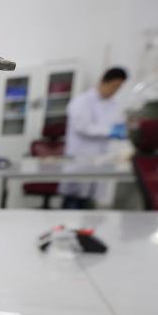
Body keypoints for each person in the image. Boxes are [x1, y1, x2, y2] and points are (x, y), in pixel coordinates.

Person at [59, 66, 128, 209]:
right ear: (103, 81)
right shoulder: (81, 101)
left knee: (89, 204)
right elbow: (82, 127)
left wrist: (123, 129)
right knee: (73, 201)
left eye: (118, 88)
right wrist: (110, 131)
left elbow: (119, 122)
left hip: (100, 160)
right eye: (113, 86)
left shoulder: (113, 105)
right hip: (80, 157)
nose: (115, 91)